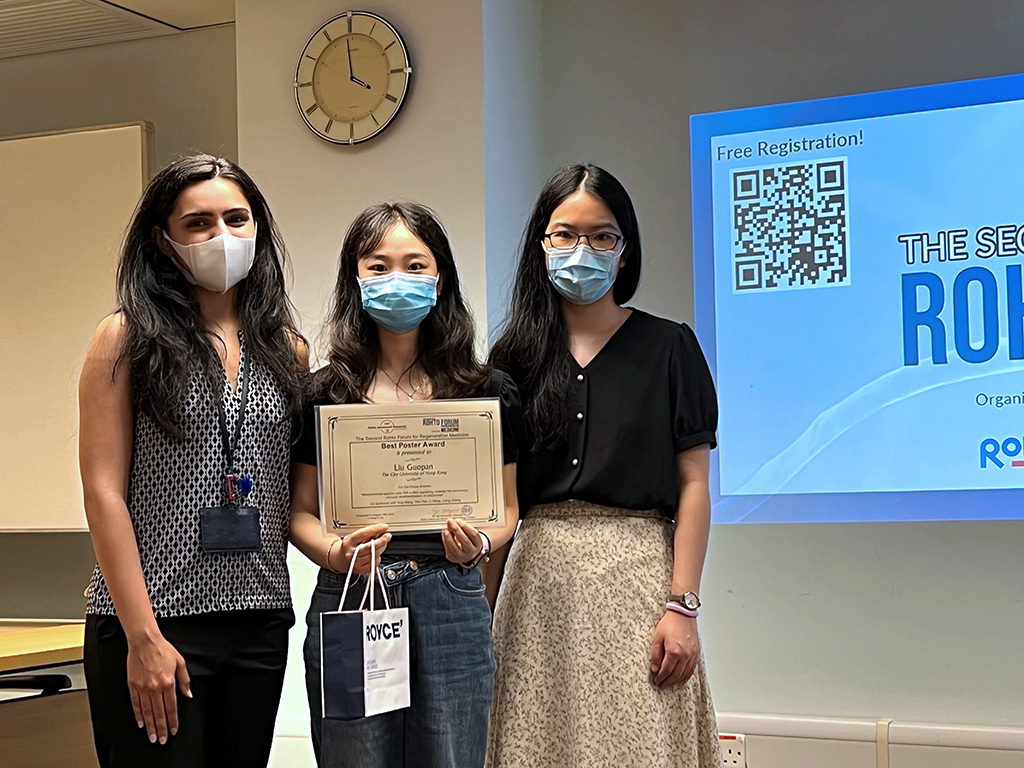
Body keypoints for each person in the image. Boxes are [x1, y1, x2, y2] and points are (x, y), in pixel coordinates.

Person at [486, 164, 722, 767]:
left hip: (640, 583)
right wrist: (477, 616)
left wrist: (683, 607)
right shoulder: (511, 358)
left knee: (639, 746)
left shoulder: (671, 347)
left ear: (625, 252)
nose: (580, 250)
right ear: (540, 247)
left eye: (601, 236)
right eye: (564, 235)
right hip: (538, 586)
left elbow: (694, 485)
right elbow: (496, 502)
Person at [79, 154, 309, 768]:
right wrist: (143, 636)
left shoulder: (286, 347)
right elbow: (103, 494)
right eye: (198, 223)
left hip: (259, 619)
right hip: (154, 623)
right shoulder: (125, 338)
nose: (222, 237)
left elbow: (293, 492)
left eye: (237, 219)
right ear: (162, 240)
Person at [289, 202, 524, 768]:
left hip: (451, 595)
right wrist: (336, 553)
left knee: (451, 757)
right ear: (355, 280)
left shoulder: (486, 391)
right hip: (352, 598)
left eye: (416, 265)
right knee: (354, 758)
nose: (398, 279)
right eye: (379, 265)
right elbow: (299, 512)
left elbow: (508, 509)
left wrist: (483, 543)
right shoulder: (324, 394)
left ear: (440, 279)